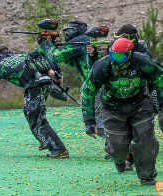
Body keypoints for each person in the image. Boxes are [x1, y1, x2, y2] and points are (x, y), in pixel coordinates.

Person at [81, 38, 161, 186]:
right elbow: (88, 91)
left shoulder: (143, 62)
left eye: (120, 56)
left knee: (145, 139)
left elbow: (160, 79)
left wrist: (161, 104)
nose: (116, 60)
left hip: (140, 105)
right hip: (112, 109)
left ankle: (147, 176)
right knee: (117, 146)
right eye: (113, 56)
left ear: (130, 54)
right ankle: (120, 159)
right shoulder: (102, 66)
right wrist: (89, 121)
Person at [0, 44, 69, 158]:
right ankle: (46, 141)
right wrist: (59, 82)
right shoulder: (22, 55)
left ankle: (59, 149)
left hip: (34, 87)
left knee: (36, 121)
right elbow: (45, 58)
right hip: (44, 84)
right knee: (32, 114)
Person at [39, 20, 106, 138]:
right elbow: (70, 61)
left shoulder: (79, 41)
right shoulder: (85, 41)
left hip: (98, 88)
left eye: (69, 30)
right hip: (102, 85)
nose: (67, 34)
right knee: (104, 119)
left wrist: (45, 43)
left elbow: (56, 57)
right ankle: (114, 148)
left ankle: (122, 147)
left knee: (100, 122)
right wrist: (54, 44)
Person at [112, 24, 163, 170]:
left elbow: (156, 75)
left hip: (147, 94)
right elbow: (103, 67)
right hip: (125, 96)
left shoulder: (141, 52)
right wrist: (92, 54)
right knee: (125, 131)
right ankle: (127, 158)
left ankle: (141, 157)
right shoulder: (116, 48)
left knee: (145, 131)